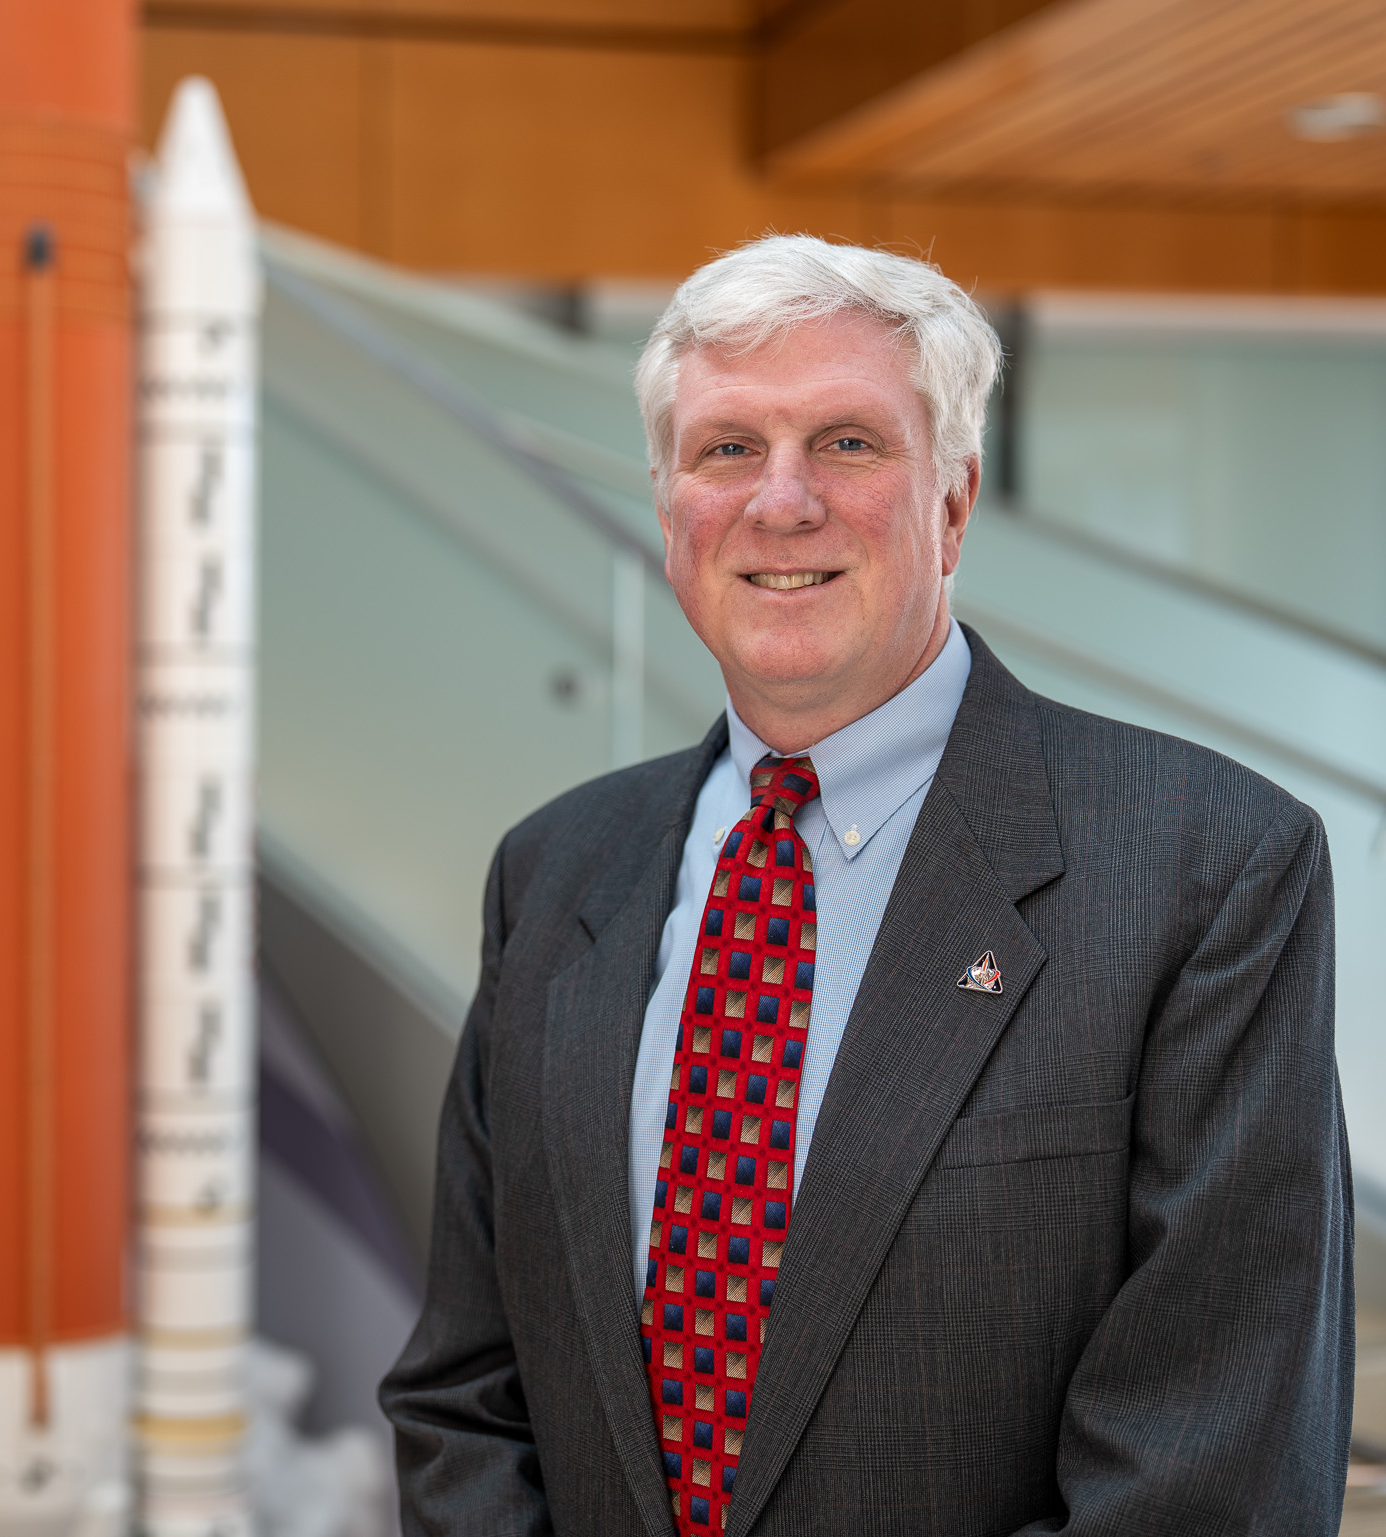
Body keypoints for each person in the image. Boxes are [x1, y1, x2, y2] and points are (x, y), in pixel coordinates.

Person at [378, 235, 1352, 1536]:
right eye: (728, 448)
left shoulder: (1209, 868)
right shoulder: (554, 873)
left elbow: (1209, 1471)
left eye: (847, 442)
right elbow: (463, 1394)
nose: (782, 503)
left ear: (953, 501)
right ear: (671, 511)